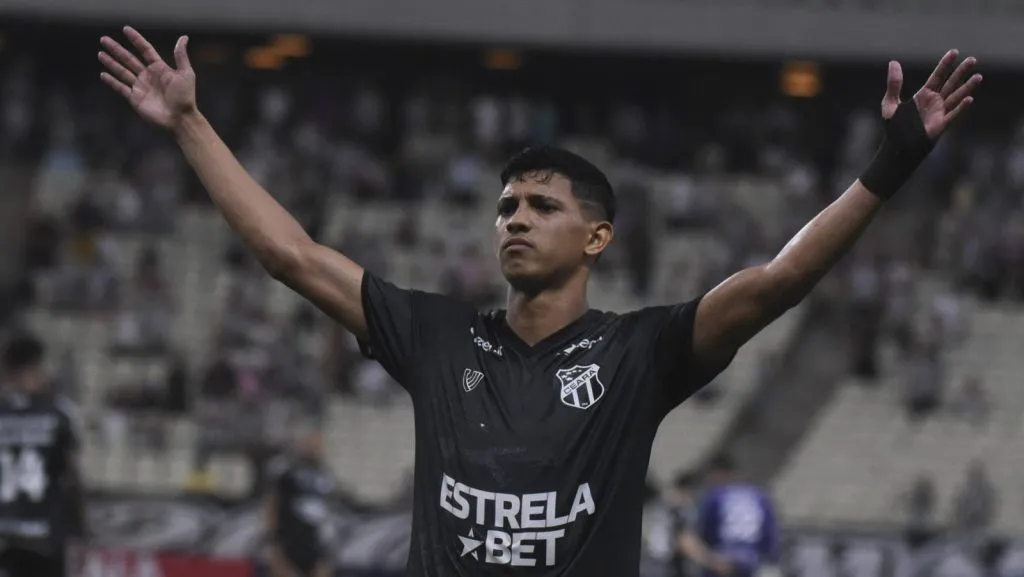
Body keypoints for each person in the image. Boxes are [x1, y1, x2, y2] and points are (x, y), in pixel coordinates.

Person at [97, 28, 980, 576]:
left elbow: (778, 281)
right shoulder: (435, 335)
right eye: (507, 205)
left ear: (597, 236)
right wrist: (190, 123)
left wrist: (891, 163)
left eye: (542, 206)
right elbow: (289, 254)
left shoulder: (639, 353)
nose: (515, 218)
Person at [0, 336, 88, 577]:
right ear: (38, 365)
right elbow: (73, 478)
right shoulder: (59, 412)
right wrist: (80, 533)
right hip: (45, 536)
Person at [262, 421, 336, 577]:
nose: (315, 446)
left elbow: (327, 504)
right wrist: (271, 534)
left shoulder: (323, 472)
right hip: (290, 534)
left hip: (315, 536)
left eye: (317, 442)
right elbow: (273, 502)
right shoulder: (286, 469)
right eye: (311, 441)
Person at [697, 455, 778, 577]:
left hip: (723, 558)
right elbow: (769, 533)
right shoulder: (759, 496)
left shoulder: (715, 496)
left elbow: (707, 531)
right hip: (751, 558)